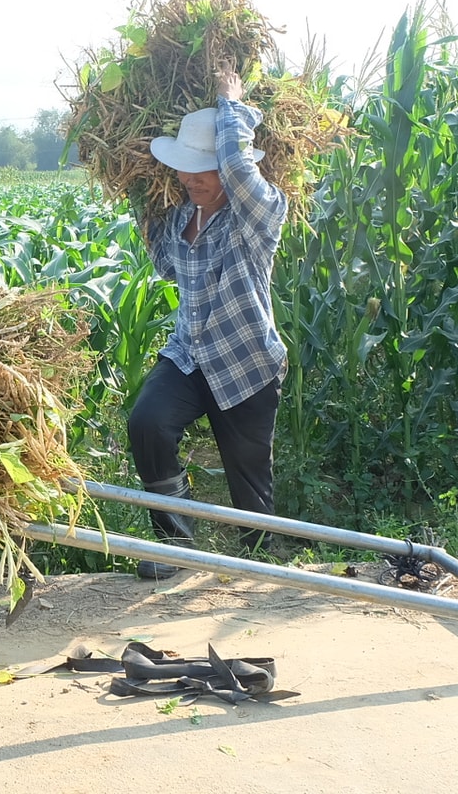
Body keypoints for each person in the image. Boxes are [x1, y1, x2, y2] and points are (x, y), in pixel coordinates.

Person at [128, 69, 288, 579]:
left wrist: (229, 104)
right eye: (184, 169)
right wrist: (136, 191)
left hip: (244, 363)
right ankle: (178, 548)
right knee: (147, 423)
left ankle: (262, 565)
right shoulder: (179, 218)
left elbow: (240, 166)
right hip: (189, 355)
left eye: (204, 169)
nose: (190, 178)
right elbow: (167, 265)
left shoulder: (259, 216)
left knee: (249, 487)